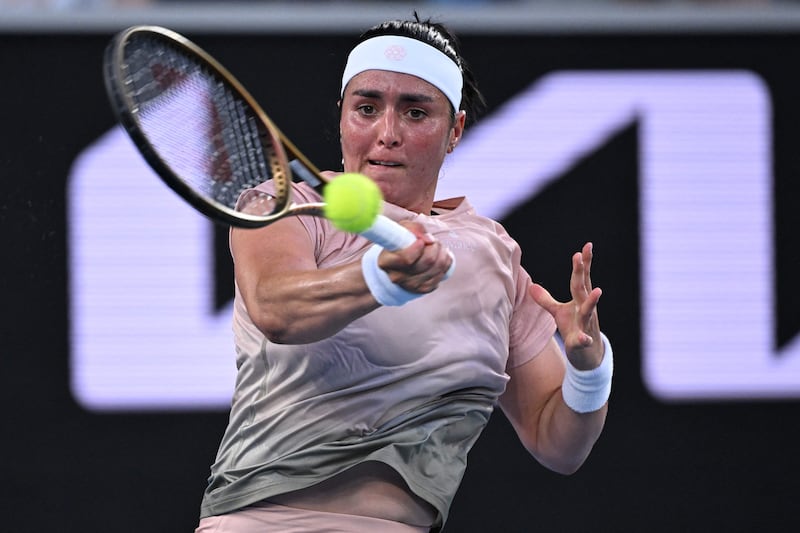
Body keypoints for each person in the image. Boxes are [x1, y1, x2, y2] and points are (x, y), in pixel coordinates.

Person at [195, 15, 612, 533]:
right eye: (367, 108)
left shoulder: (494, 255)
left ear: (454, 130)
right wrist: (381, 279)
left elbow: (558, 445)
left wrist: (589, 370)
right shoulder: (288, 207)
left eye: (416, 112)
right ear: (343, 116)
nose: (386, 134)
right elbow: (277, 308)